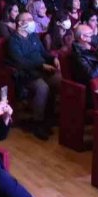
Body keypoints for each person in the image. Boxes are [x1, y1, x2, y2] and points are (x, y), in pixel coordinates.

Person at [6, 10, 61, 140]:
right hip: (27, 73)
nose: (32, 22)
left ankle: (49, 115)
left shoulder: (33, 36)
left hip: (42, 69)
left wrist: (53, 58)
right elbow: (21, 62)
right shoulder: (13, 41)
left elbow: (44, 53)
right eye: (29, 19)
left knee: (59, 80)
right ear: (20, 23)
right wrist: (41, 65)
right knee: (42, 87)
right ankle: (38, 123)